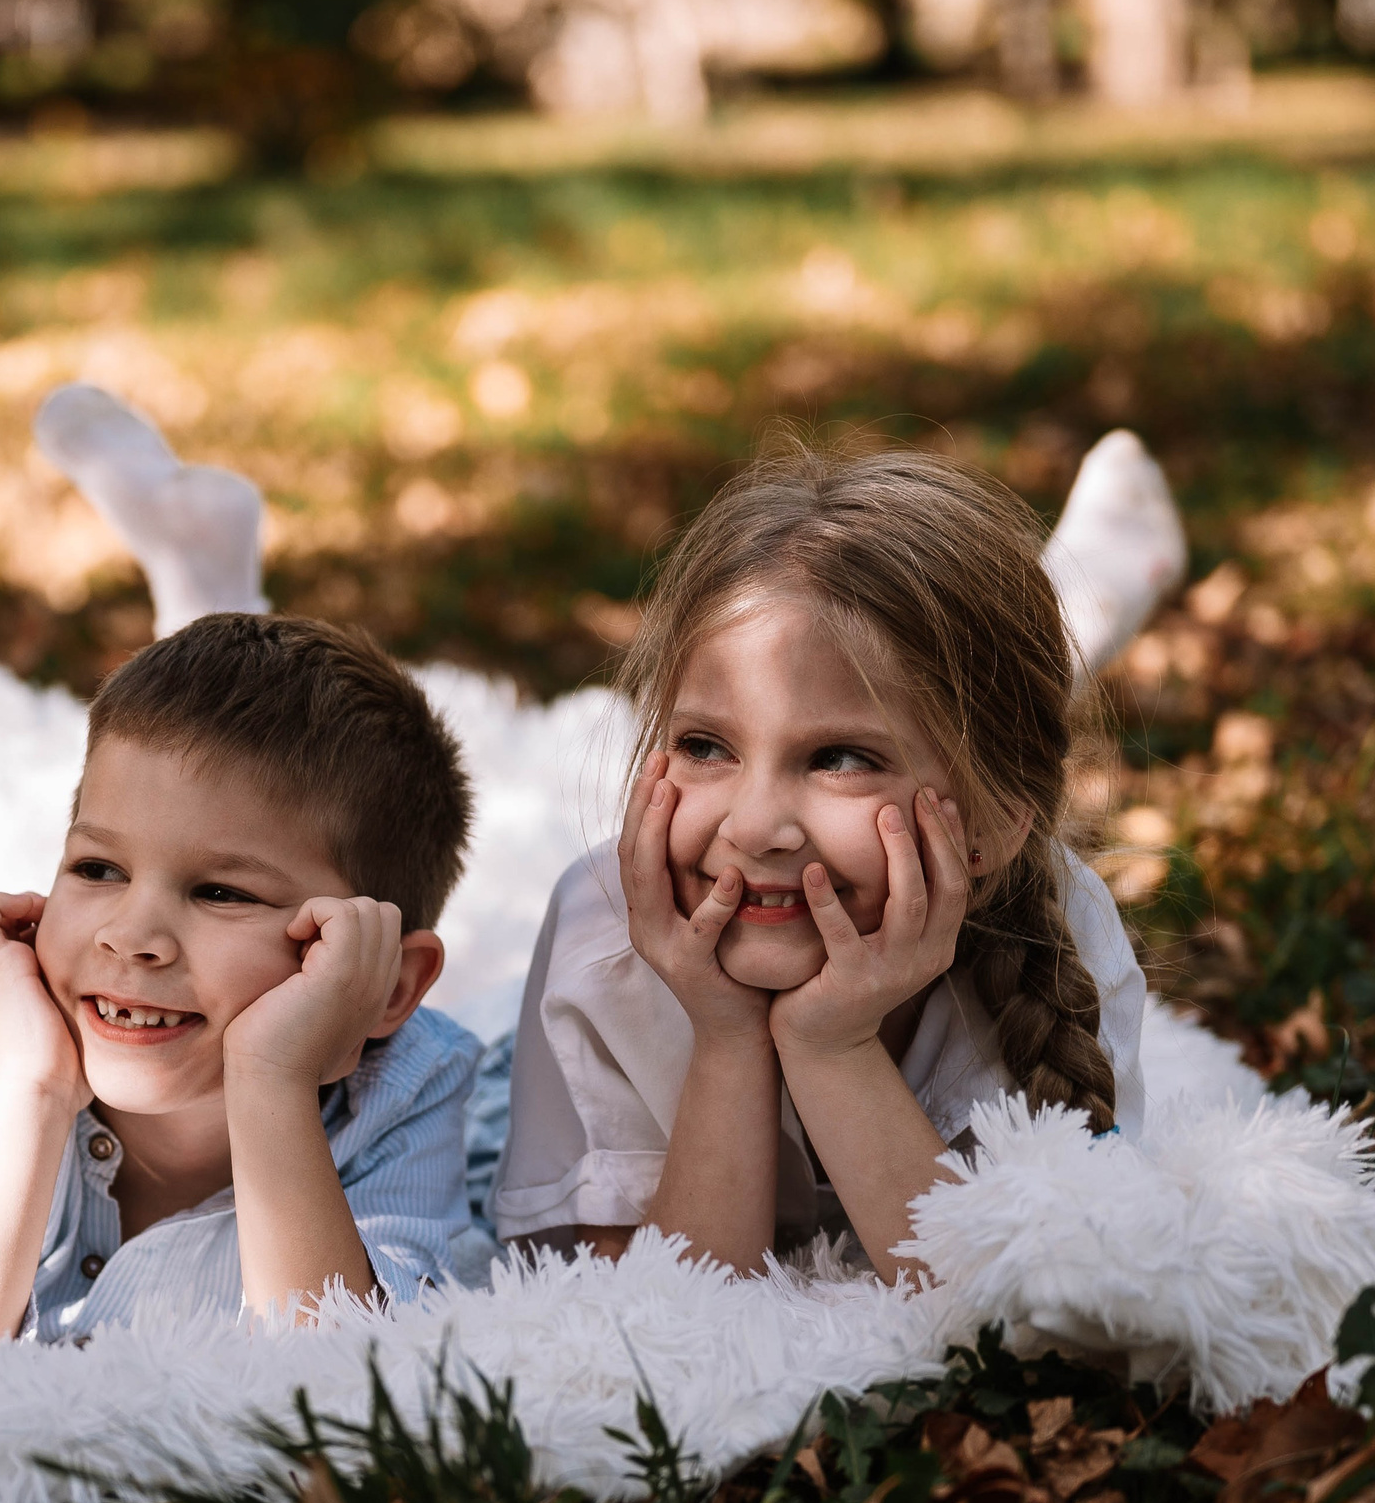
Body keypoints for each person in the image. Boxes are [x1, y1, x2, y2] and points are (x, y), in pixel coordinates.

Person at [0, 612, 480, 1345]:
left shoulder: (410, 1086)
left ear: (389, 988)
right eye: (98, 867)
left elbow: (349, 1379)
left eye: (222, 892)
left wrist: (272, 1077)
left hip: (109, 1020)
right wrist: (29, 1090)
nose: (130, 936)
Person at [489, 438, 1148, 1282]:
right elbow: (654, 1329)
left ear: (994, 825)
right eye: (703, 744)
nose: (757, 826)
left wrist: (832, 1045)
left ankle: (1090, 588)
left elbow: (1028, 1317)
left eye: (840, 757)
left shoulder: (1066, 925)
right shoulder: (598, 933)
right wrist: (728, 1039)